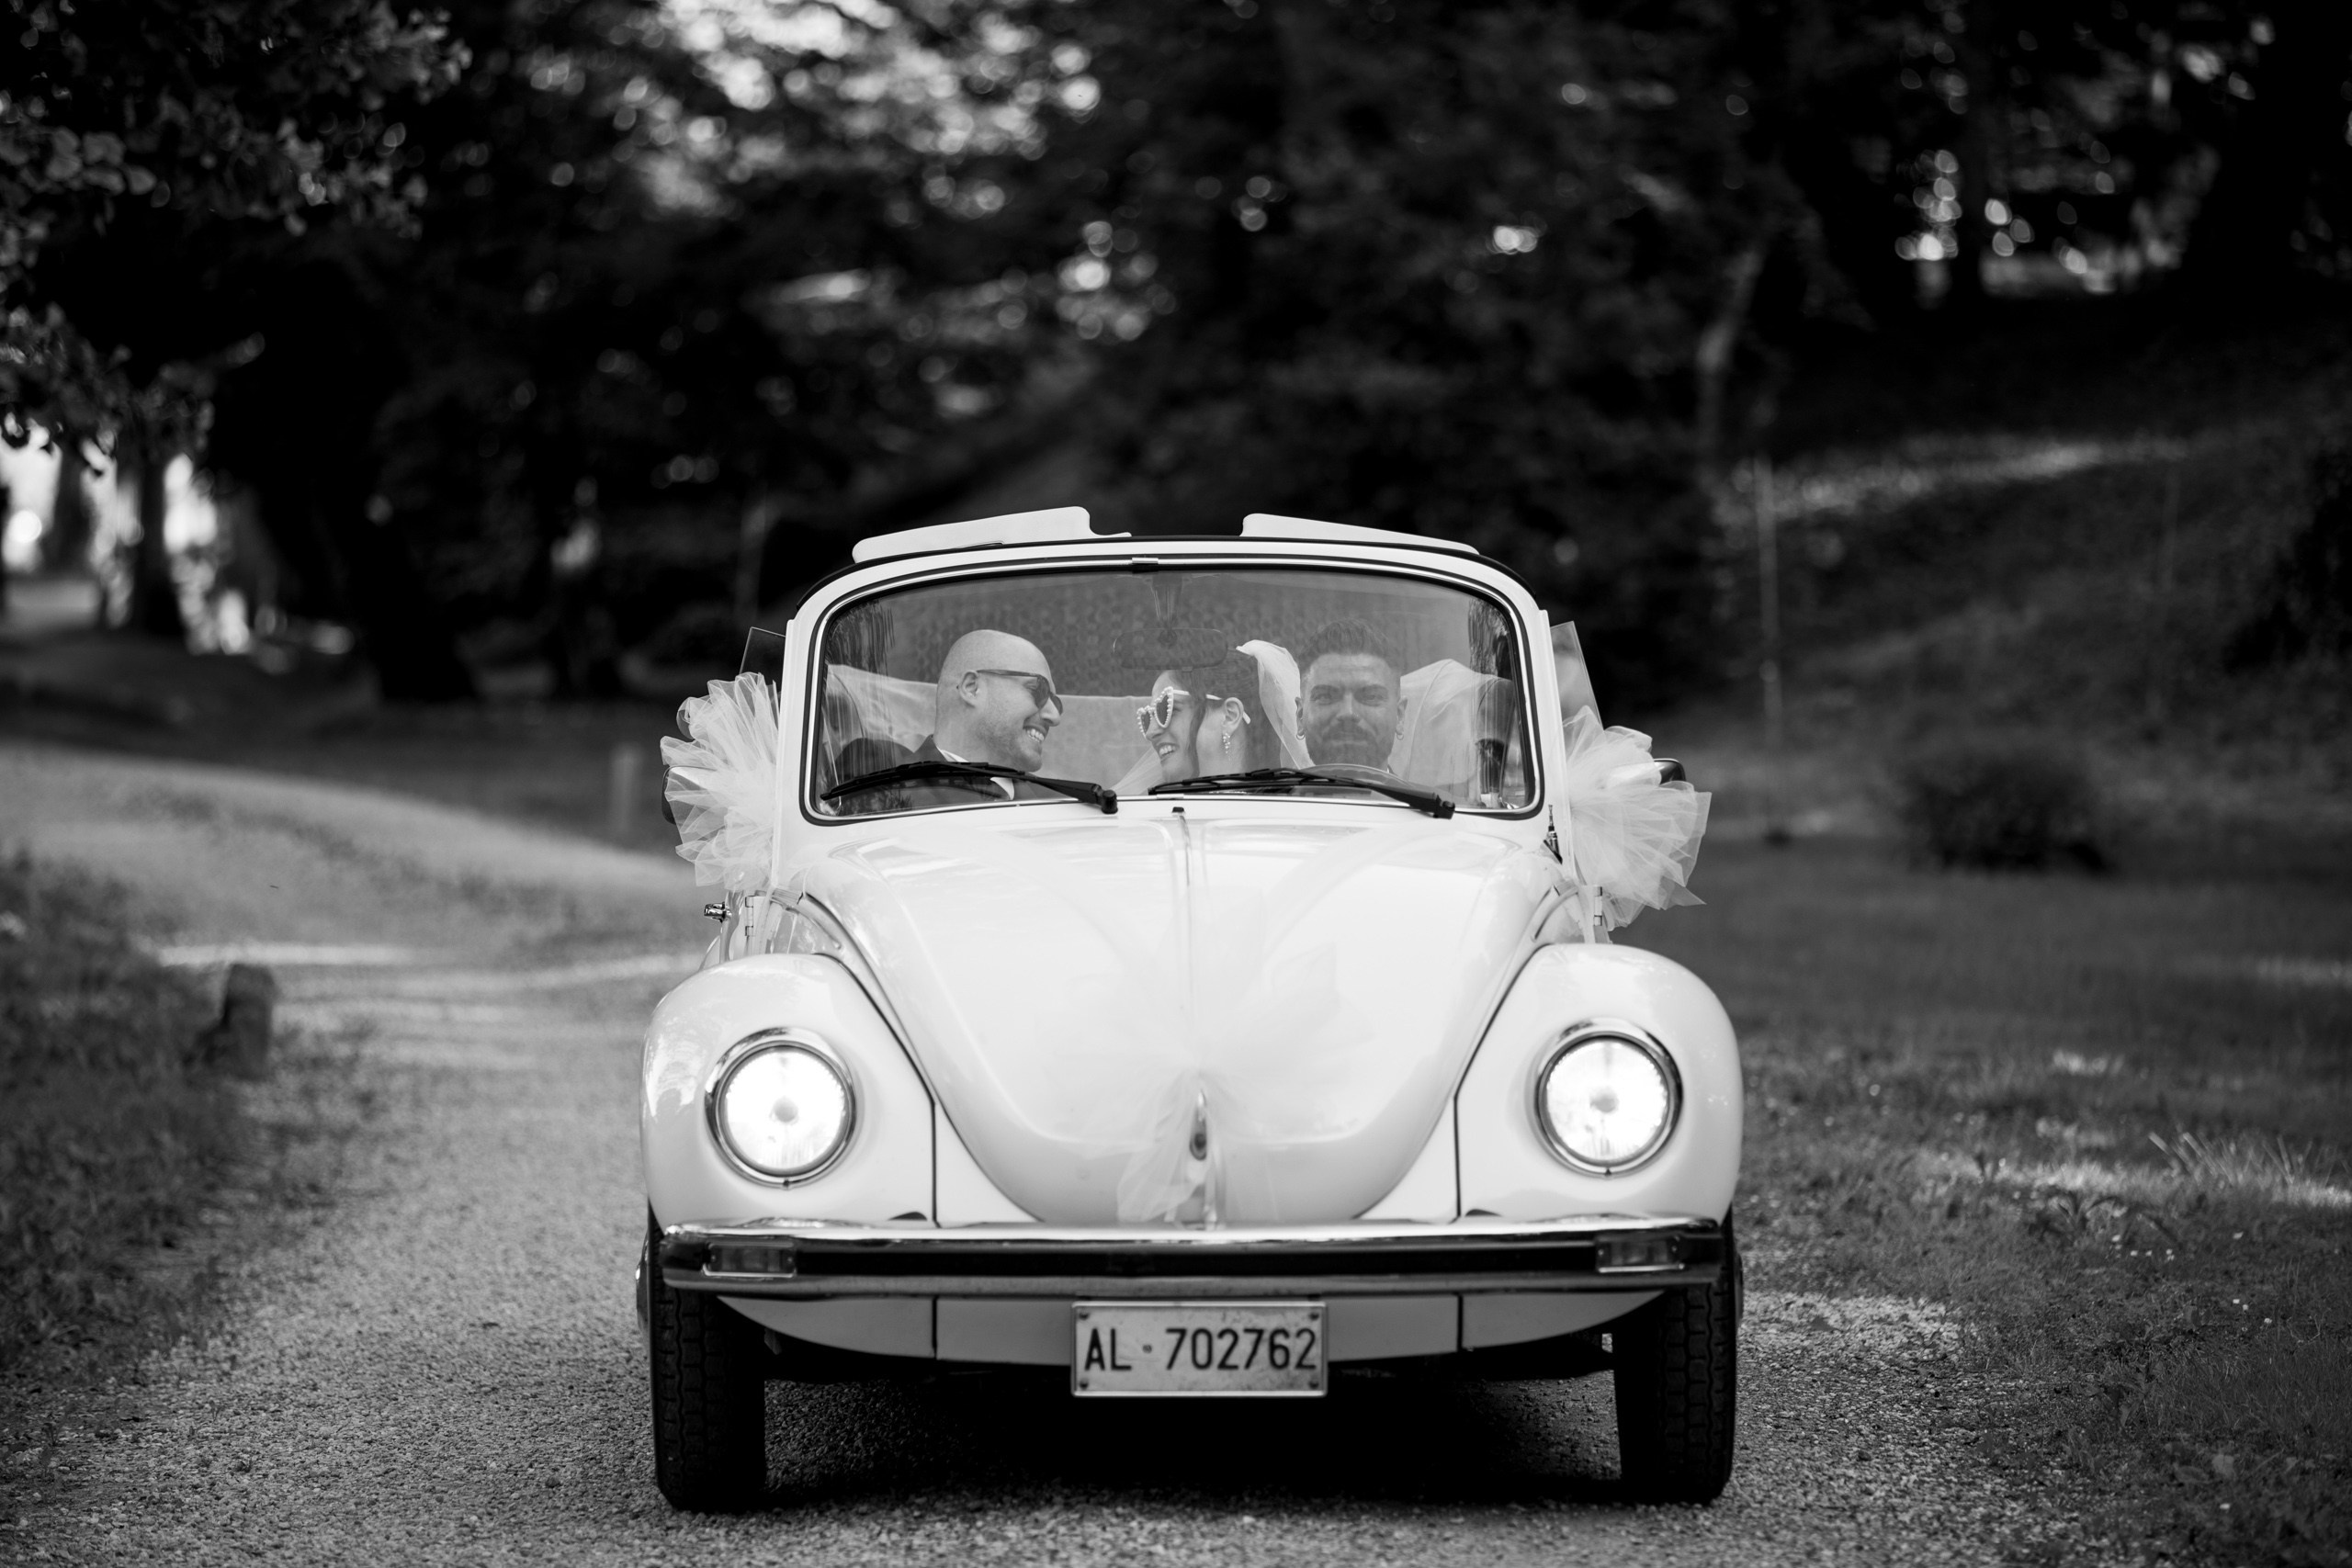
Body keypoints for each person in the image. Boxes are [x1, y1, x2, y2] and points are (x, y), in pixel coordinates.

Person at [846, 628, 1069, 809]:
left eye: (1055, 702)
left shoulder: (1062, 806)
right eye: (1038, 691)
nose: (1054, 716)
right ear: (971, 688)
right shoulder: (881, 773)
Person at [1114, 643, 1306, 793]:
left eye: (1168, 709)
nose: (1151, 732)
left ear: (1230, 716)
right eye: (1148, 717)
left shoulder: (1286, 816)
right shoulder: (1148, 820)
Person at [1294, 618, 1406, 770]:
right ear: (1300, 716)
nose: (1348, 713)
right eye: (1326, 696)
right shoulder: (1262, 794)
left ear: (1399, 716)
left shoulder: (1425, 795)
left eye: (1371, 697)